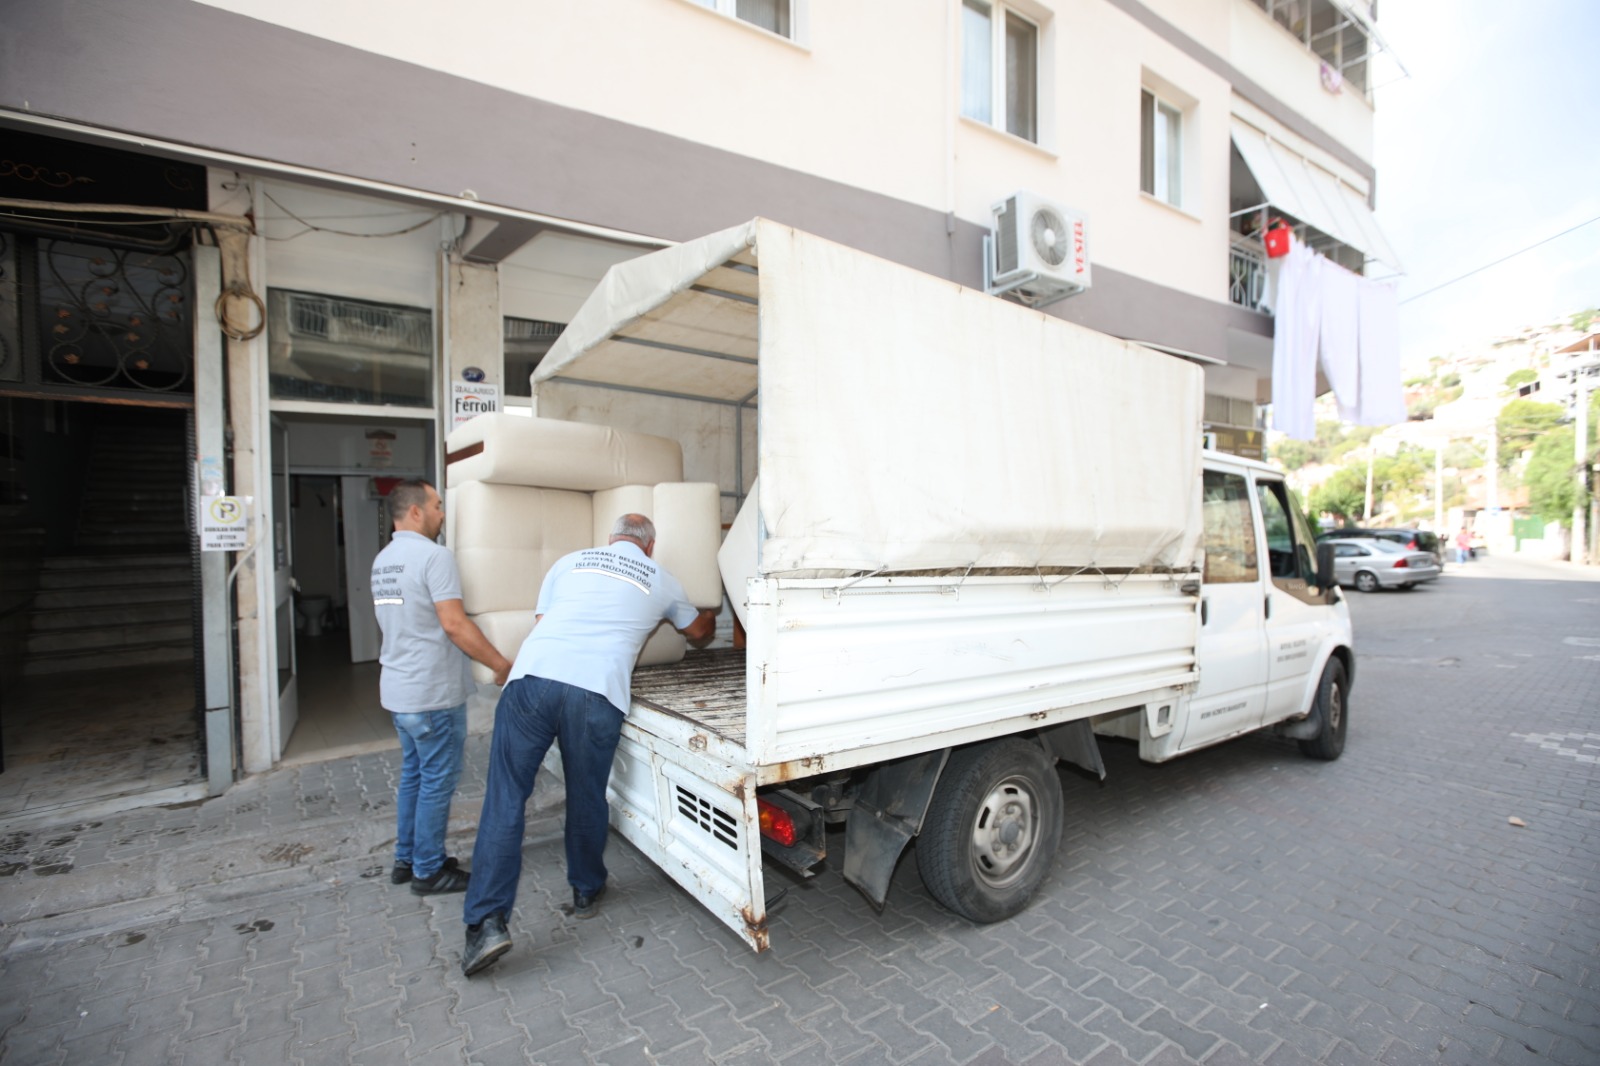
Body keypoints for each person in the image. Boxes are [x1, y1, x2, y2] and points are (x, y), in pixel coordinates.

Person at [461, 513, 715, 977]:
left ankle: (486, 924)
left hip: (531, 683)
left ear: (611, 539)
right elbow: (699, 633)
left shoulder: (570, 562)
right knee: (586, 794)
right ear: (649, 546)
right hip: (595, 693)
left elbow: (545, 621)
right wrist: (710, 607)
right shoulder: (660, 577)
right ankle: (585, 888)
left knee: (505, 801)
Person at [372, 479, 512, 896]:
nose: (441, 513)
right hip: (432, 693)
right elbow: (454, 623)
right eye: (436, 505)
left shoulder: (384, 561)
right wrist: (500, 664)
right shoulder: (434, 557)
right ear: (415, 511)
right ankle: (428, 870)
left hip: (399, 691)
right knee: (437, 780)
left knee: (414, 775)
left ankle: (407, 857)